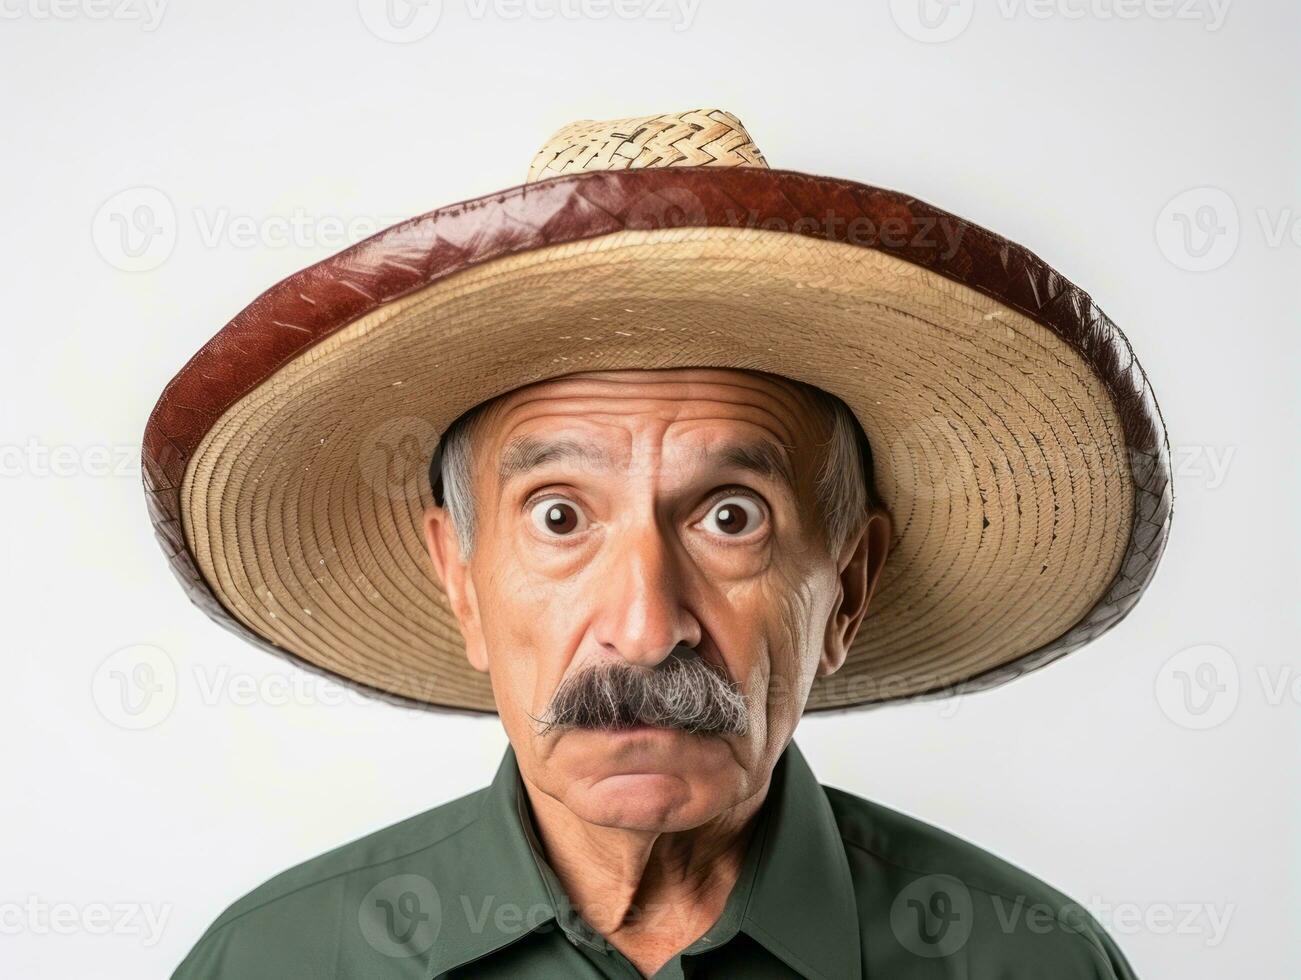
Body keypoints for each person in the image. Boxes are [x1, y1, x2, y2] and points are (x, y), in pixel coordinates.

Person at [147, 109, 1171, 978]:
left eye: (730, 515)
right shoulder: (271, 959)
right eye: (559, 515)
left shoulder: (1034, 960)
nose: (642, 630)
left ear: (845, 591)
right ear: (459, 581)